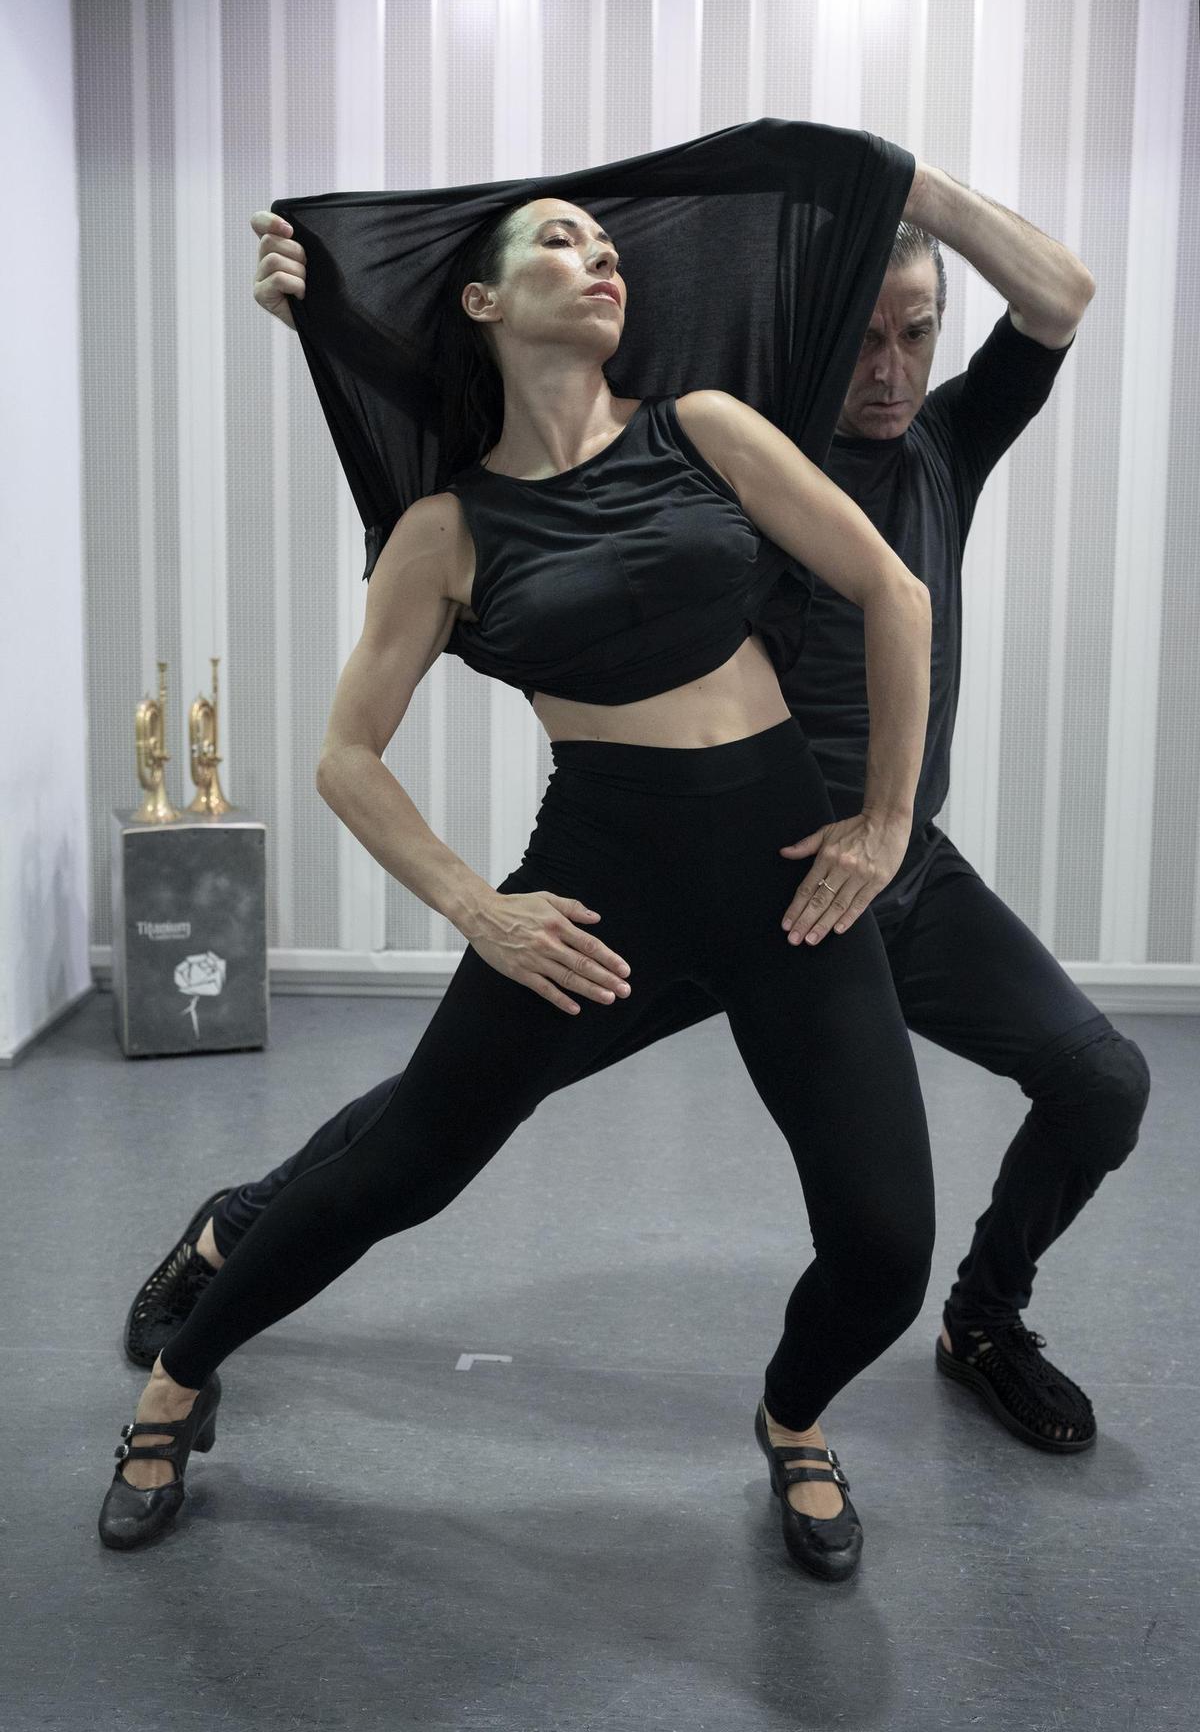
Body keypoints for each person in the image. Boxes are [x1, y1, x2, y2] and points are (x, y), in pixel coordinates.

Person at [126, 149, 1151, 1479]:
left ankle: (982, 1319)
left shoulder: (944, 442)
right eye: (865, 341)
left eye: (917, 338)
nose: (890, 371)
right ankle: (236, 1235)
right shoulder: (733, 450)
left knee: (1099, 1083)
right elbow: (525, 453)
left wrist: (911, 188)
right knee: (427, 1128)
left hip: (875, 879)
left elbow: (1059, 299)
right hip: (665, 865)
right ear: (807, 344)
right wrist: (339, 327)